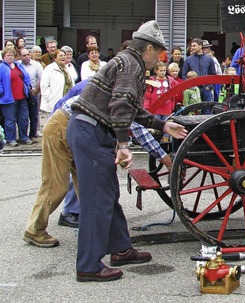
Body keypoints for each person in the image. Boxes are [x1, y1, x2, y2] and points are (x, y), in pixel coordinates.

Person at [66, 20, 187, 282]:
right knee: (97, 200)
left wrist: (163, 125)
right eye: (160, 53)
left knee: (107, 194)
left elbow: (132, 108)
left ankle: (121, 249)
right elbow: (120, 105)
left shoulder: (126, 61)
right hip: (91, 131)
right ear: (148, 50)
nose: (160, 59)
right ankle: (88, 266)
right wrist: (123, 145)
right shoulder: (132, 65)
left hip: (88, 129)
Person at [23, 78, 173, 248]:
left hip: (75, 127)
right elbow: (137, 128)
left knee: (88, 184)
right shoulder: (122, 94)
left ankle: (95, 230)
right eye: (144, 90)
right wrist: (165, 159)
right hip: (64, 126)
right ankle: (35, 229)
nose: (145, 93)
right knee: (56, 184)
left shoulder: (116, 86)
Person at [0, 47, 32, 147]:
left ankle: (24, 137)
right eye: (8, 55)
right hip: (8, 98)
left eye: (12, 55)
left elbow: (25, 77)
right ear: (4, 57)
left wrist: (28, 86)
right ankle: (11, 139)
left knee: (24, 118)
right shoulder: (1, 67)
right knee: (10, 120)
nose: (10, 57)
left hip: (22, 97)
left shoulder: (18, 65)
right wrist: (2, 92)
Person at [182, 38, 216, 112]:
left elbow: (213, 74)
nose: (192, 47)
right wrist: (189, 86)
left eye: (194, 45)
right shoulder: (188, 60)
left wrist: (210, 86)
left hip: (206, 89)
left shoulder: (209, 59)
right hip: (193, 90)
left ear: (200, 46)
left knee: (207, 111)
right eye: (191, 46)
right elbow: (184, 75)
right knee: (193, 111)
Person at [18, 48, 44, 142]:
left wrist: (37, 90)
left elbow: (42, 78)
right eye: (24, 55)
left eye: (28, 55)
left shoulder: (36, 65)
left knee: (34, 115)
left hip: (33, 92)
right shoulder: (18, 65)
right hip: (21, 94)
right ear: (20, 56)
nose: (26, 57)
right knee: (23, 116)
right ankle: (23, 136)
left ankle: (33, 135)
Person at [40, 50, 74, 117]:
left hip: (65, 102)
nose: (63, 57)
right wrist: (49, 98)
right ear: (55, 58)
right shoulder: (49, 69)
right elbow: (44, 85)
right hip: (52, 103)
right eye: (60, 56)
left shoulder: (66, 69)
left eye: (64, 55)